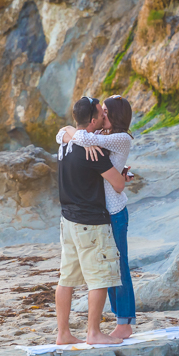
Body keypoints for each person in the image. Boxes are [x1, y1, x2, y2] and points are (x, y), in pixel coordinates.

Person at [56, 96, 136, 339]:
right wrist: (79, 136)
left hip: (113, 211)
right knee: (108, 268)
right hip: (100, 210)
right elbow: (65, 133)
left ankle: (124, 323)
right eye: (100, 112)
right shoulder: (98, 140)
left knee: (117, 268)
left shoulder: (121, 138)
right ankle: (108, 326)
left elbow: (72, 134)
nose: (102, 115)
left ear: (113, 116)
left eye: (105, 112)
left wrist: (79, 136)